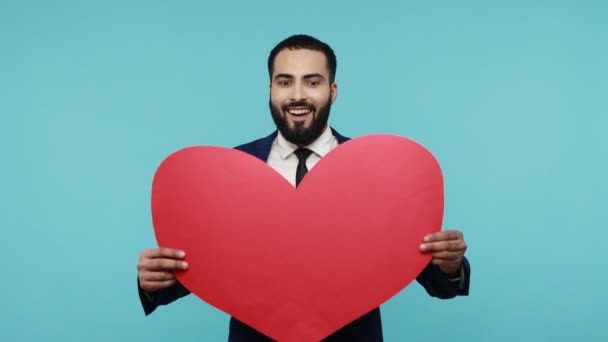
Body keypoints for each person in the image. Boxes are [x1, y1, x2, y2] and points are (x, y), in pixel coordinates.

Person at [137, 34, 470, 341]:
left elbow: (425, 272)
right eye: (285, 82)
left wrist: (451, 267)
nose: (297, 94)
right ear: (270, 89)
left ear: (332, 91)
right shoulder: (229, 172)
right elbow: (205, 264)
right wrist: (155, 283)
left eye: (312, 82)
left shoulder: (380, 173)